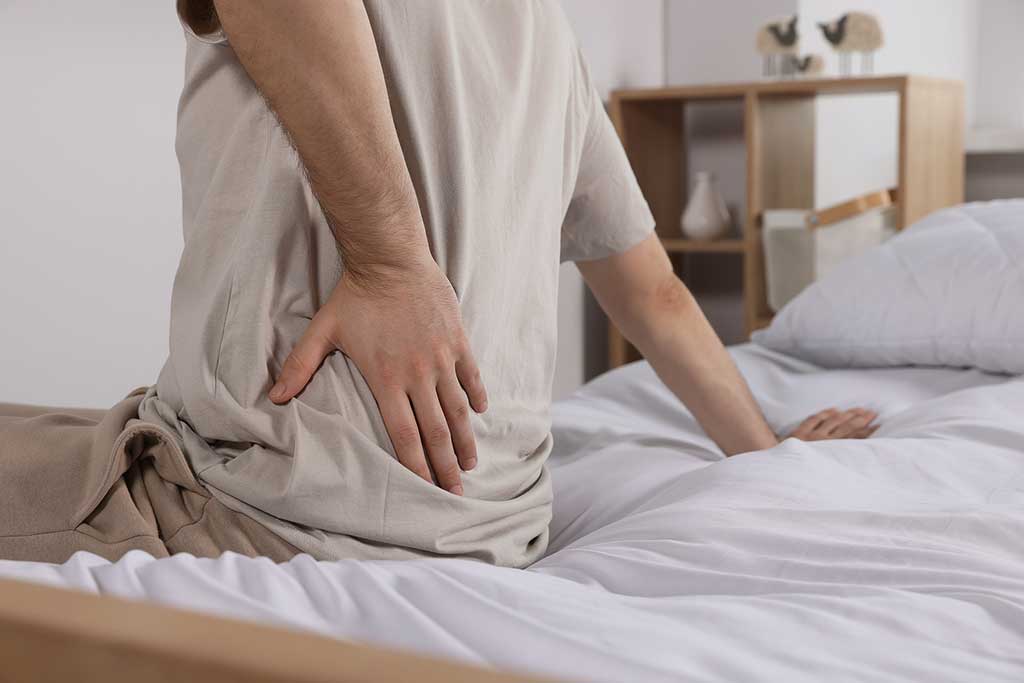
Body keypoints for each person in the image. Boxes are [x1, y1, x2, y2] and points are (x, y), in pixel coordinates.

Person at [0, 0, 876, 566]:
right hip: (494, 533)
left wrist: (391, 264)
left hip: (258, 508)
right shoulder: (552, 40)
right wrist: (769, 449)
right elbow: (656, 295)